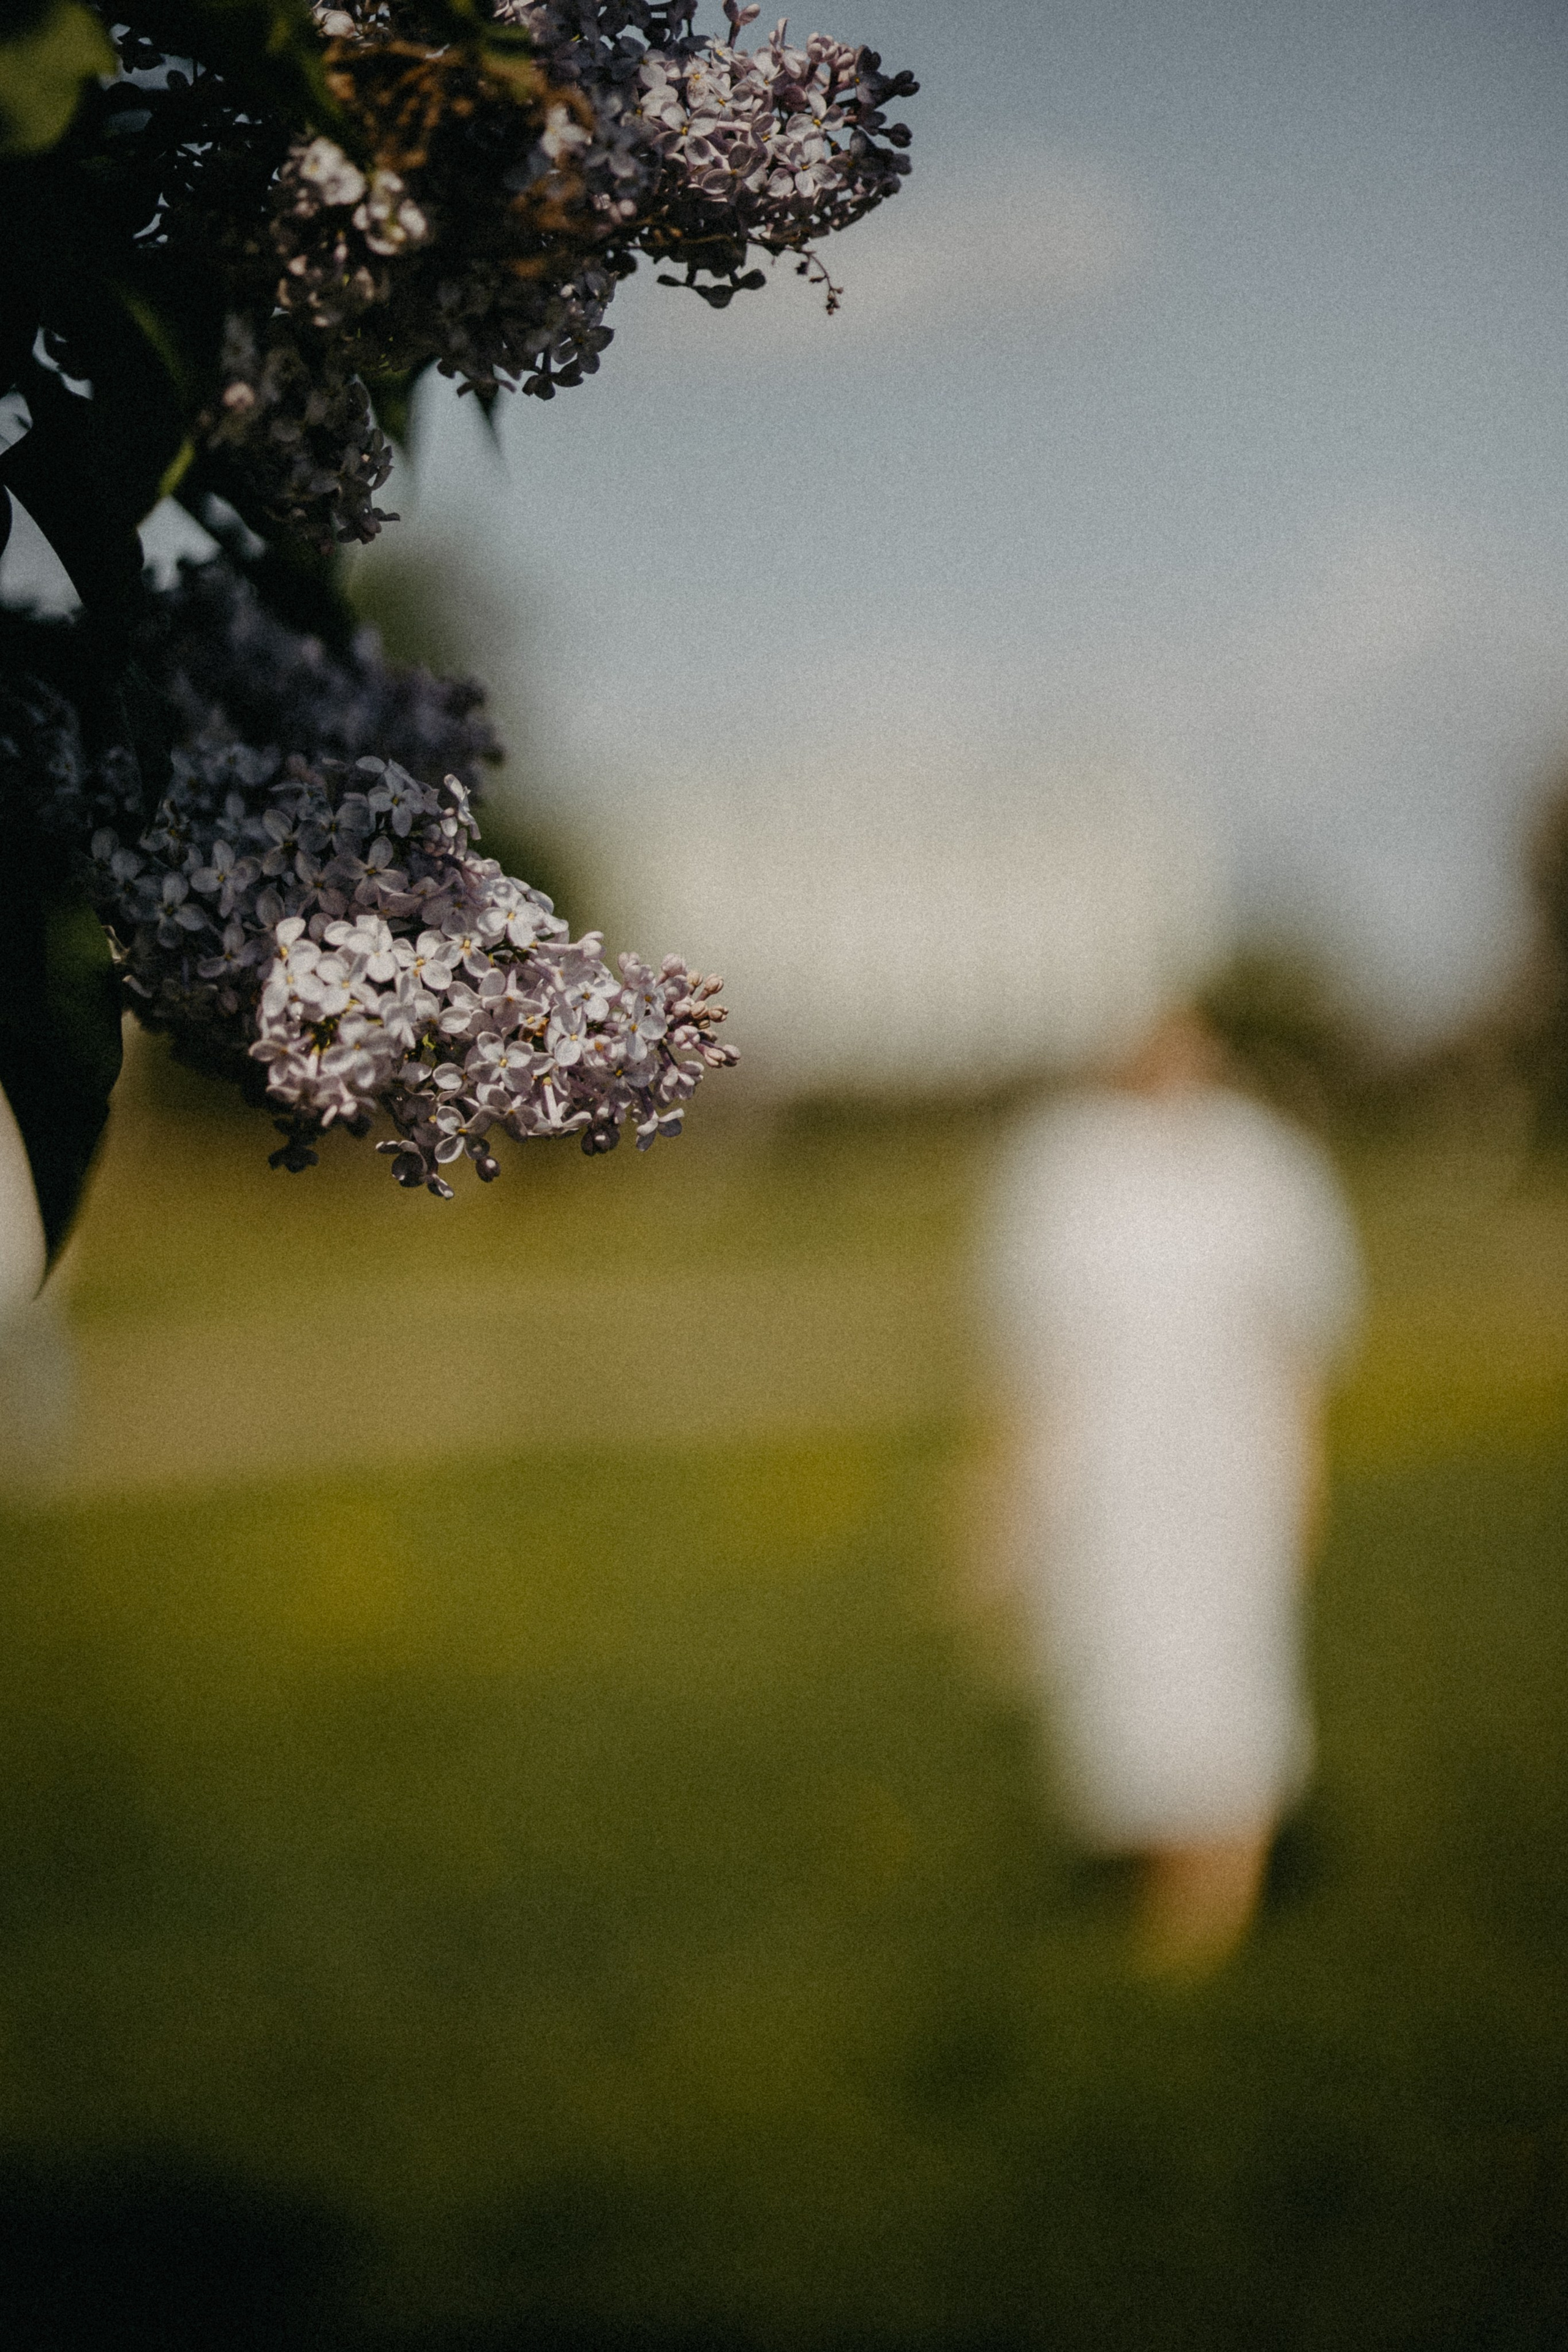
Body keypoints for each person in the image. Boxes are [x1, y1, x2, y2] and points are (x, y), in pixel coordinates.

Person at [983, 1004, 1363, 1973]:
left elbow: (1300, 1336)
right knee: (1124, 1679)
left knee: (1231, 1670)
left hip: (1228, 1467)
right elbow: (1038, 1352)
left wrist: (1304, 1468)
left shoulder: (1262, 1168)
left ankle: (1214, 1916)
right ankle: (1168, 1894)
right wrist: (1010, 1496)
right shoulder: (1066, 1167)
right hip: (1108, 1480)